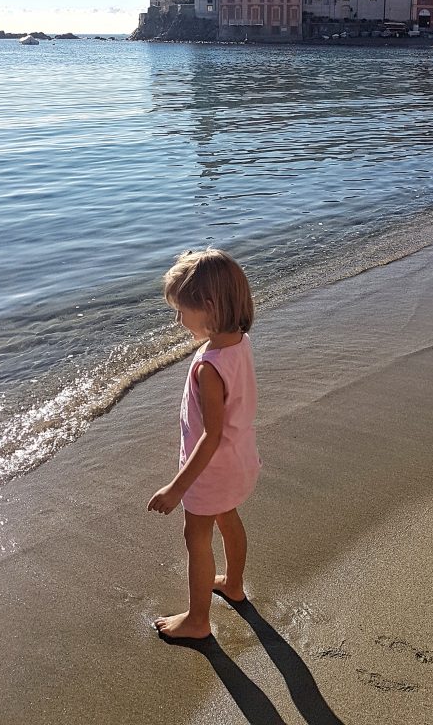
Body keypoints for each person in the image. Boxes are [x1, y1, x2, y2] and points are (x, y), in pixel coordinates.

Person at [148, 248, 261, 639]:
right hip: (239, 457)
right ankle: (232, 584)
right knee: (228, 519)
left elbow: (210, 436)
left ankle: (197, 622)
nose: (178, 320)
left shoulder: (209, 366)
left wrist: (177, 486)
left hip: (210, 469)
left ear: (210, 307)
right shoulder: (239, 342)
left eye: (182, 311)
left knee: (196, 537)